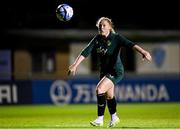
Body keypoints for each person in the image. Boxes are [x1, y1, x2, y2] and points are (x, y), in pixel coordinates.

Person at [68, 17, 152, 127]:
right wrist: (75, 65)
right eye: (100, 26)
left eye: (104, 25)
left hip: (116, 71)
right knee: (110, 96)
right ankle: (114, 117)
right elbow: (86, 51)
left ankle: (100, 119)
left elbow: (130, 44)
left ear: (110, 27)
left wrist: (143, 51)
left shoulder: (116, 38)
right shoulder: (97, 39)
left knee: (99, 89)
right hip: (104, 71)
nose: (101, 27)